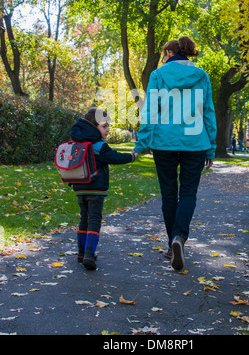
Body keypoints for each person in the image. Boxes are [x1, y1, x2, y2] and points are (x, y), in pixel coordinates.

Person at [132, 36, 217, 271]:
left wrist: (141, 144)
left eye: (163, 54)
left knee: (169, 195)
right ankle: (179, 237)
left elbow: (150, 110)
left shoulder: (158, 75)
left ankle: (172, 244)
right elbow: (208, 112)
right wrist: (211, 145)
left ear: (169, 53)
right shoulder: (202, 76)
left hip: (164, 143)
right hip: (196, 142)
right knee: (188, 193)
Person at [70, 107, 138, 270]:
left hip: (80, 187)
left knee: (84, 219)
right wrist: (132, 156)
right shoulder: (99, 146)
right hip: (96, 189)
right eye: (104, 126)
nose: (108, 129)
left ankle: (81, 253)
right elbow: (115, 157)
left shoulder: (77, 143)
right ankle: (89, 254)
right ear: (94, 126)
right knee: (94, 220)